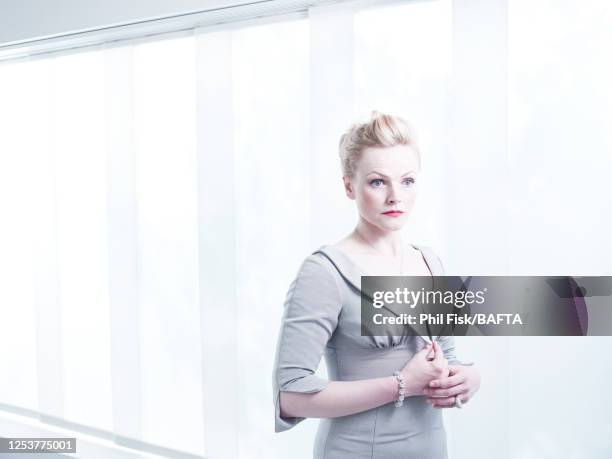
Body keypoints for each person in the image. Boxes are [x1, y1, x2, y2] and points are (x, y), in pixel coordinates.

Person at [272, 111, 481, 458]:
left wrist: (467, 379)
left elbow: (450, 357)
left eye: (408, 181)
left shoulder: (429, 262)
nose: (395, 196)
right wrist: (400, 384)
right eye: (378, 182)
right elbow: (290, 396)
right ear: (349, 186)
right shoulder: (323, 272)